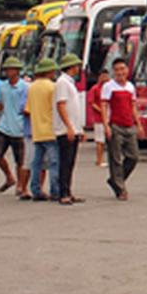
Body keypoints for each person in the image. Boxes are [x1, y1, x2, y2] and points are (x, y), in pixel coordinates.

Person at [101, 58, 140, 200]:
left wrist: (138, 123)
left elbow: (133, 106)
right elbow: (104, 106)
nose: (120, 72)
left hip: (129, 125)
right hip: (115, 125)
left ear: (127, 70)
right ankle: (120, 188)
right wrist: (106, 125)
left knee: (133, 157)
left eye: (122, 69)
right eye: (117, 70)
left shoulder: (130, 87)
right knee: (115, 159)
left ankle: (116, 180)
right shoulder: (108, 87)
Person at [0, 57, 30, 198]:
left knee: (19, 160)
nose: (8, 72)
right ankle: (9, 176)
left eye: (10, 70)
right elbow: (1, 105)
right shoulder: (2, 87)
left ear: (17, 71)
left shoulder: (25, 87)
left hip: (19, 127)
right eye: (6, 70)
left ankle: (20, 184)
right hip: (4, 125)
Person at [24, 58, 61, 202]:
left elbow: (28, 110)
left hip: (37, 130)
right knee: (54, 163)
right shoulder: (53, 87)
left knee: (36, 163)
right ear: (50, 71)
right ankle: (55, 191)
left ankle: (36, 190)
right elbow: (57, 108)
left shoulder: (31, 87)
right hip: (51, 130)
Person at [53, 54, 84, 205]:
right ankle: (63, 192)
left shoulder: (70, 83)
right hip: (66, 129)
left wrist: (79, 128)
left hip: (73, 128)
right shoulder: (62, 83)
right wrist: (69, 127)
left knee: (70, 162)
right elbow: (61, 105)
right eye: (76, 66)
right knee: (65, 162)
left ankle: (68, 190)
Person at [89, 69, 109, 168]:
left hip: (109, 118)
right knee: (100, 140)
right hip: (99, 119)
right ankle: (99, 160)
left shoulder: (109, 88)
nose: (105, 78)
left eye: (106, 76)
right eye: (103, 76)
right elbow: (91, 102)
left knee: (107, 140)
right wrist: (101, 110)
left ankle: (105, 159)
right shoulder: (95, 89)